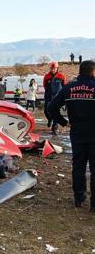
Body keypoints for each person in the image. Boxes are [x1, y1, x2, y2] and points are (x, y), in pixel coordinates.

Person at [48, 60, 95, 211]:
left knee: (78, 166)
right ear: (92, 72)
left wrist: (63, 122)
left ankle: (79, 198)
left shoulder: (69, 88)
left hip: (77, 132)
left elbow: (51, 107)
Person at [43, 62, 66, 134]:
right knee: (46, 111)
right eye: (51, 68)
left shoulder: (61, 76)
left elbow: (64, 86)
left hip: (58, 97)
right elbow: (45, 86)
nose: (53, 70)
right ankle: (49, 119)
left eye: (54, 68)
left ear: (57, 68)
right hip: (49, 96)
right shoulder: (46, 76)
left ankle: (54, 128)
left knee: (56, 112)